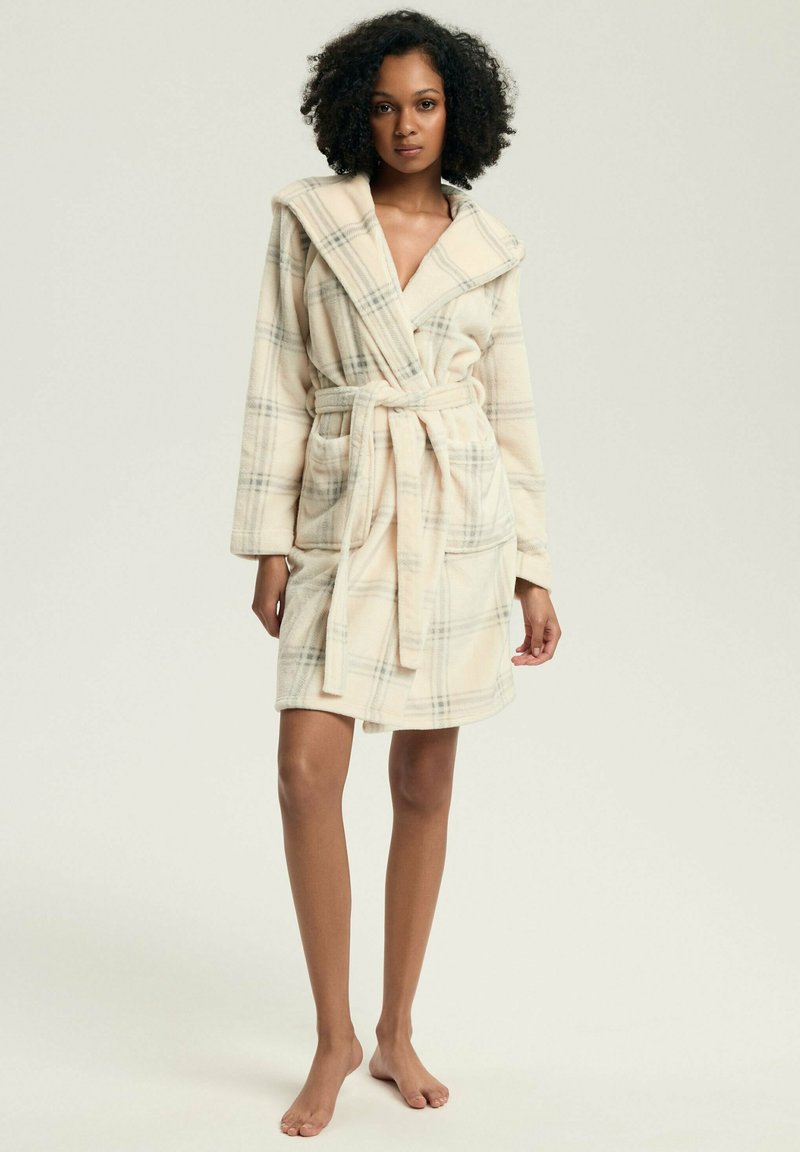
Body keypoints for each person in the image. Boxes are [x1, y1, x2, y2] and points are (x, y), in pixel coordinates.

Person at [229, 9, 562, 1138]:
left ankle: (395, 1029)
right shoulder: (311, 221)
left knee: (423, 782)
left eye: (423, 103)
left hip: (456, 516)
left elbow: (509, 412)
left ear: (456, 111)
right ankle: (332, 1035)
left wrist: (531, 569)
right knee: (304, 769)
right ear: (351, 114)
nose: (404, 125)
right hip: (344, 506)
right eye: (382, 106)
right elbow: (277, 378)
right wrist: (269, 538)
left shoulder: (488, 247)